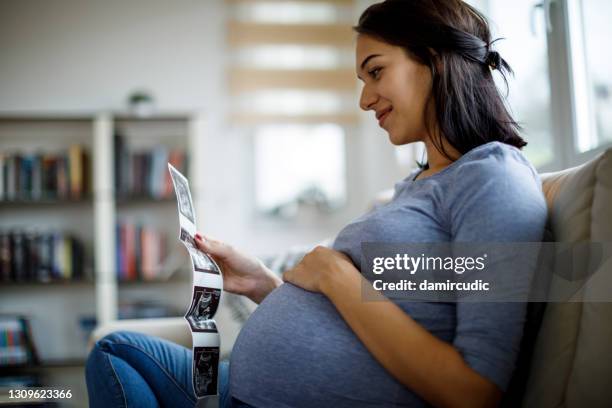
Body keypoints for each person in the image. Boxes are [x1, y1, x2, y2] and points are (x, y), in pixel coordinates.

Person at [85, 0, 548, 407]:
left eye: (376, 71)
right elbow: (386, 308)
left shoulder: (494, 178)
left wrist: (334, 274)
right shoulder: (418, 183)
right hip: (242, 389)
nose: (365, 100)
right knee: (117, 350)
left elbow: (474, 392)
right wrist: (261, 283)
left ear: (434, 58)